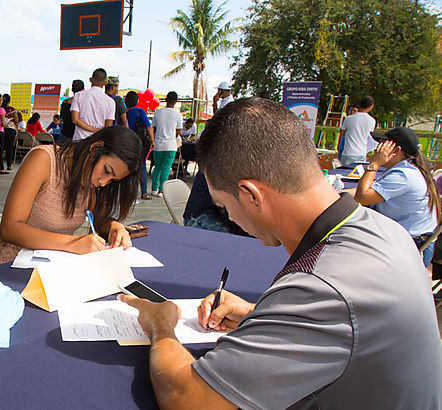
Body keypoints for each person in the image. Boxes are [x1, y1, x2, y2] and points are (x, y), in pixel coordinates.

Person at [120, 97, 442, 409]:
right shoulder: (384, 229)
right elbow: (353, 332)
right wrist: (258, 316)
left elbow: (187, 399)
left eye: (223, 205)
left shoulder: (321, 286)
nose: (229, 217)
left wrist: (161, 326)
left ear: (250, 194)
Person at [0, 126, 140, 267]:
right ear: (95, 148)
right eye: (106, 170)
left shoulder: (90, 180)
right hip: (10, 268)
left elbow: (99, 219)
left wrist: (115, 226)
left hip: (52, 270)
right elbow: (9, 229)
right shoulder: (44, 160)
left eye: (113, 180)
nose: (104, 183)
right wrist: (73, 243)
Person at [344, 127, 439, 266]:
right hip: (406, 239)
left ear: (396, 150)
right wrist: (336, 194)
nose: (376, 150)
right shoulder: (405, 170)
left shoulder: (404, 176)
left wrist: (374, 164)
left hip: (410, 247)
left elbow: (362, 197)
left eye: (382, 144)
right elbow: (369, 191)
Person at [150, 91, 182, 197]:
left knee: (157, 167)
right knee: (166, 169)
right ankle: (161, 191)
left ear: (165, 100)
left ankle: (154, 188)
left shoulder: (158, 113)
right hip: (171, 146)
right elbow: (178, 132)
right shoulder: (178, 115)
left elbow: (153, 129)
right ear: (176, 101)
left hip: (158, 145)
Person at [70, 68, 114, 141]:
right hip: (97, 142)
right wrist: (97, 131)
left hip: (79, 141)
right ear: (105, 83)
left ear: (90, 79)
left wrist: (93, 130)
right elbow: (107, 127)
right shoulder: (110, 102)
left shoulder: (78, 95)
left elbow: (75, 120)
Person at [125, 91, 154, 200]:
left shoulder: (124, 112)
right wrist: (152, 140)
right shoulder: (140, 111)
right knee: (141, 167)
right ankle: (144, 192)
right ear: (137, 101)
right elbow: (148, 126)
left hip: (127, 143)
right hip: (140, 143)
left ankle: (129, 193)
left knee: (129, 167)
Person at [338, 96, 376, 168]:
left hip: (348, 152)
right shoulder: (372, 121)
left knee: (343, 174)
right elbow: (370, 137)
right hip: (361, 153)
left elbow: (342, 133)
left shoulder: (349, 118)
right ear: (371, 106)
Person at [0, 93, 17, 173]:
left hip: (1, 129)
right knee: (10, 148)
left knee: (1, 148)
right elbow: (16, 120)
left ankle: (0, 165)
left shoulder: (0, 109)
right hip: (10, 129)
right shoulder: (12, 109)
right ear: (9, 101)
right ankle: (9, 165)